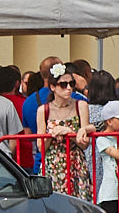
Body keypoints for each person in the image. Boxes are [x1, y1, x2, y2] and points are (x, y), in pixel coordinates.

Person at [37, 65, 92, 201]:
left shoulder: (81, 106)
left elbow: (84, 144)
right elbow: (40, 147)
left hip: (76, 163)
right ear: (53, 87)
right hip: (52, 164)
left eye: (71, 84)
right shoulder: (43, 110)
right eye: (63, 84)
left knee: (79, 206)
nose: (69, 88)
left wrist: (70, 133)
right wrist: (52, 135)